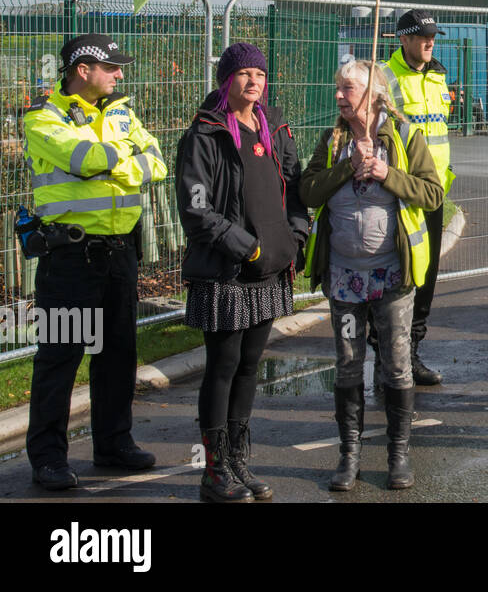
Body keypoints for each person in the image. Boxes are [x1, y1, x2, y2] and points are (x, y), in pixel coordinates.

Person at [23, 33, 168, 490]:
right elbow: (86, 159)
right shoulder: (43, 118)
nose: (121, 74)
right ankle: (48, 458)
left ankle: (113, 444)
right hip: (70, 258)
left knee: (118, 356)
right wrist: (126, 158)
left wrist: (119, 162)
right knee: (59, 358)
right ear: (83, 70)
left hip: (121, 253)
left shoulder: (121, 110)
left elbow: (158, 160)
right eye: (112, 67)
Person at [300, 60, 443, 491]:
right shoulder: (332, 140)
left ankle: (398, 456)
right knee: (347, 367)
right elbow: (307, 190)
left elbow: (433, 194)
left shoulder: (404, 139)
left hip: (392, 279)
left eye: (348, 89)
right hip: (344, 279)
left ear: (374, 96)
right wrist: (346, 167)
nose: (340, 97)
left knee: (397, 368)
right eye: (338, 88)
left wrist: (386, 174)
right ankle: (349, 457)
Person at [177, 43, 309, 502]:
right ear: (225, 79)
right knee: (223, 366)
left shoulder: (275, 126)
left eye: (259, 73)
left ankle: (238, 462)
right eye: (243, 73)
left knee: (251, 366)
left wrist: (296, 235)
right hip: (228, 272)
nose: (253, 81)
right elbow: (197, 212)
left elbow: (294, 188)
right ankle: (214, 473)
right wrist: (247, 247)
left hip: (270, 270)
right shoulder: (204, 134)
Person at [378, 10, 454, 387]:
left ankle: (412, 354)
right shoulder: (385, 76)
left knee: (425, 276)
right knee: (398, 275)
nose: (429, 42)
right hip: (400, 192)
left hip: (434, 193)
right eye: (422, 37)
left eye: (432, 37)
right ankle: (386, 356)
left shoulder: (438, 75)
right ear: (402, 39)